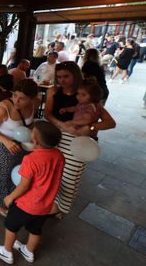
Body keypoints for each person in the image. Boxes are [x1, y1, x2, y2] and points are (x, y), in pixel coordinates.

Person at [44, 61, 116, 216]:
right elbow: (47, 114)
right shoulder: (53, 91)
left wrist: (91, 127)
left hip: (78, 141)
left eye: (66, 76)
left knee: (70, 175)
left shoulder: (85, 93)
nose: (62, 80)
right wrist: (62, 125)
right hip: (56, 135)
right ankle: (51, 202)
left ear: (75, 75)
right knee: (52, 173)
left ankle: (60, 208)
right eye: (59, 77)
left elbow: (110, 122)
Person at [0, 121, 64, 265]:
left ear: (34, 141)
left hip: (26, 204)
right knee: (35, 229)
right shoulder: (59, 155)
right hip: (45, 205)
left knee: (11, 225)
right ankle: (29, 252)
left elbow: (23, 186)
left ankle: (7, 252)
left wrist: (10, 197)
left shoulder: (31, 159)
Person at [0, 79, 39, 217]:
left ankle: (10, 197)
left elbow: (30, 124)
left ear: (31, 99)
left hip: (20, 146)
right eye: (14, 95)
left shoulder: (34, 104)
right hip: (0, 146)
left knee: (13, 175)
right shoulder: (3, 108)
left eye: (22, 99)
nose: (16, 101)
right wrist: (6, 141)